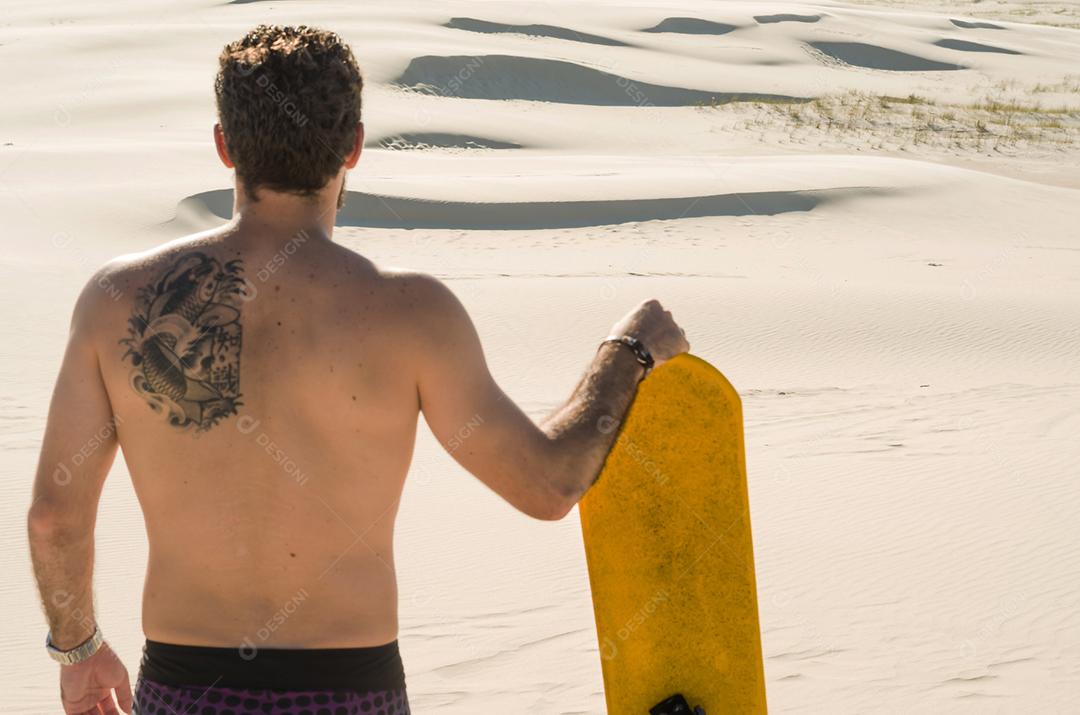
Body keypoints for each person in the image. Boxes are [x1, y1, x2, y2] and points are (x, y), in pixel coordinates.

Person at [27, 24, 689, 715]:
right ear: (354, 147)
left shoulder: (116, 300)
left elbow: (53, 517)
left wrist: (79, 651)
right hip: (348, 693)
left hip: (186, 688)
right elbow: (549, 485)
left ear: (224, 146)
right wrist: (629, 350)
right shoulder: (411, 313)